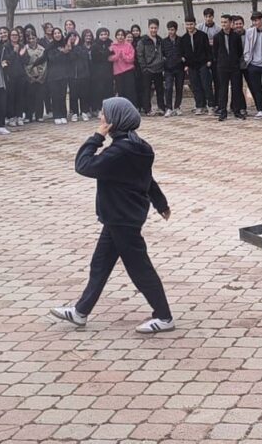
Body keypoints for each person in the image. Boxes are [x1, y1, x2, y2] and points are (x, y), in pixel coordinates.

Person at [50, 97, 174, 334]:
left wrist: (96, 137)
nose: (101, 118)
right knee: (100, 265)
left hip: (122, 218)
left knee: (140, 269)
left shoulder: (119, 152)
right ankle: (80, 312)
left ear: (115, 120)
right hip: (119, 217)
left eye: (104, 115)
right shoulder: (139, 146)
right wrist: (161, 204)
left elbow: (84, 165)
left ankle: (164, 317)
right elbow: (147, 179)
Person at [212, 15, 245, 121]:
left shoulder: (236, 36)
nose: (223, 24)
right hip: (222, 67)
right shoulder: (217, 36)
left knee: (236, 88)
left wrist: (234, 60)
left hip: (235, 67)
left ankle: (237, 111)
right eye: (222, 22)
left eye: (225, 22)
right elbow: (215, 52)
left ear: (231, 23)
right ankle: (223, 111)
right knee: (222, 89)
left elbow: (239, 51)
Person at [180, 18, 211, 115]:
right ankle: (200, 106)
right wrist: (185, 65)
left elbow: (208, 49)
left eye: (191, 24)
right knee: (195, 86)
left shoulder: (202, 35)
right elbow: (183, 53)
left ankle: (211, 105)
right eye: (187, 24)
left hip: (203, 63)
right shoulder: (184, 38)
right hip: (191, 65)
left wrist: (209, 60)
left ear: (195, 24)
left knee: (206, 85)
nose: (189, 26)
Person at [137, 20, 166, 116]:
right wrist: (144, 68)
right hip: (147, 69)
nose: (153, 30)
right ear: (148, 28)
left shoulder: (160, 40)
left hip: (159, 69)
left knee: (160, 90)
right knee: (147, 90)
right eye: (151, 28)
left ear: (158, 28)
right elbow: (140, 55)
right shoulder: (143, 40)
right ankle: (147, 109)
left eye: (155, 28)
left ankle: (161, 108)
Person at [110, 31, 138, 107]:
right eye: (118, 35)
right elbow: (109, 58)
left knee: (130, 91)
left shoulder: (129, 45)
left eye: (122, 35)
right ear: (116, 36)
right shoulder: (112, 46)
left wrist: (123, 56)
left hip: (128, 71)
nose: (120, 36)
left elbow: (131, 58)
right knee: (121, 92)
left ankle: (132, 108)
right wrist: (117, 56)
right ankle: (122, 109)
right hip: (118, 72)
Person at [24, 32, 47, 123]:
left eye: (33, 38)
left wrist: (41, 76)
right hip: (30, 76)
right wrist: (29, 77)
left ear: (36, 39)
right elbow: (25, 65)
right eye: (29, 39)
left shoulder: (42, 49)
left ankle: (39, 115)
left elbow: (45, 64)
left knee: (40, 97)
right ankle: (29, 116)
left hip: (40, 76)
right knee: (29, 97)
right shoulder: (25, 49)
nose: (31, 40)